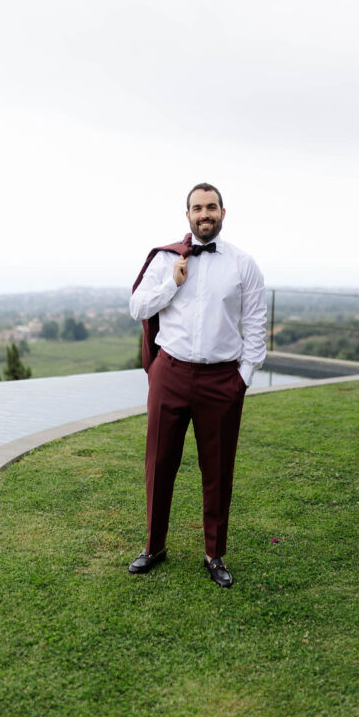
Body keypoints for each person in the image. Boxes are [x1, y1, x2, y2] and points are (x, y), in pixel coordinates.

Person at [128, 182, 267, 587]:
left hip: (222, 379)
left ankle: (214, 554)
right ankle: (154, 546)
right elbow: (136, 306)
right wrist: (172, 283)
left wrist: (244, 377)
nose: (204, 214)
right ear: (187, 215)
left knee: (218, 469)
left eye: (211, 207)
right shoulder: (166, 259)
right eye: (197, 208)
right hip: (169, 373)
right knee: (159, 462)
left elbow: (256, 322)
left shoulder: (243, 264)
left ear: (223, 212)